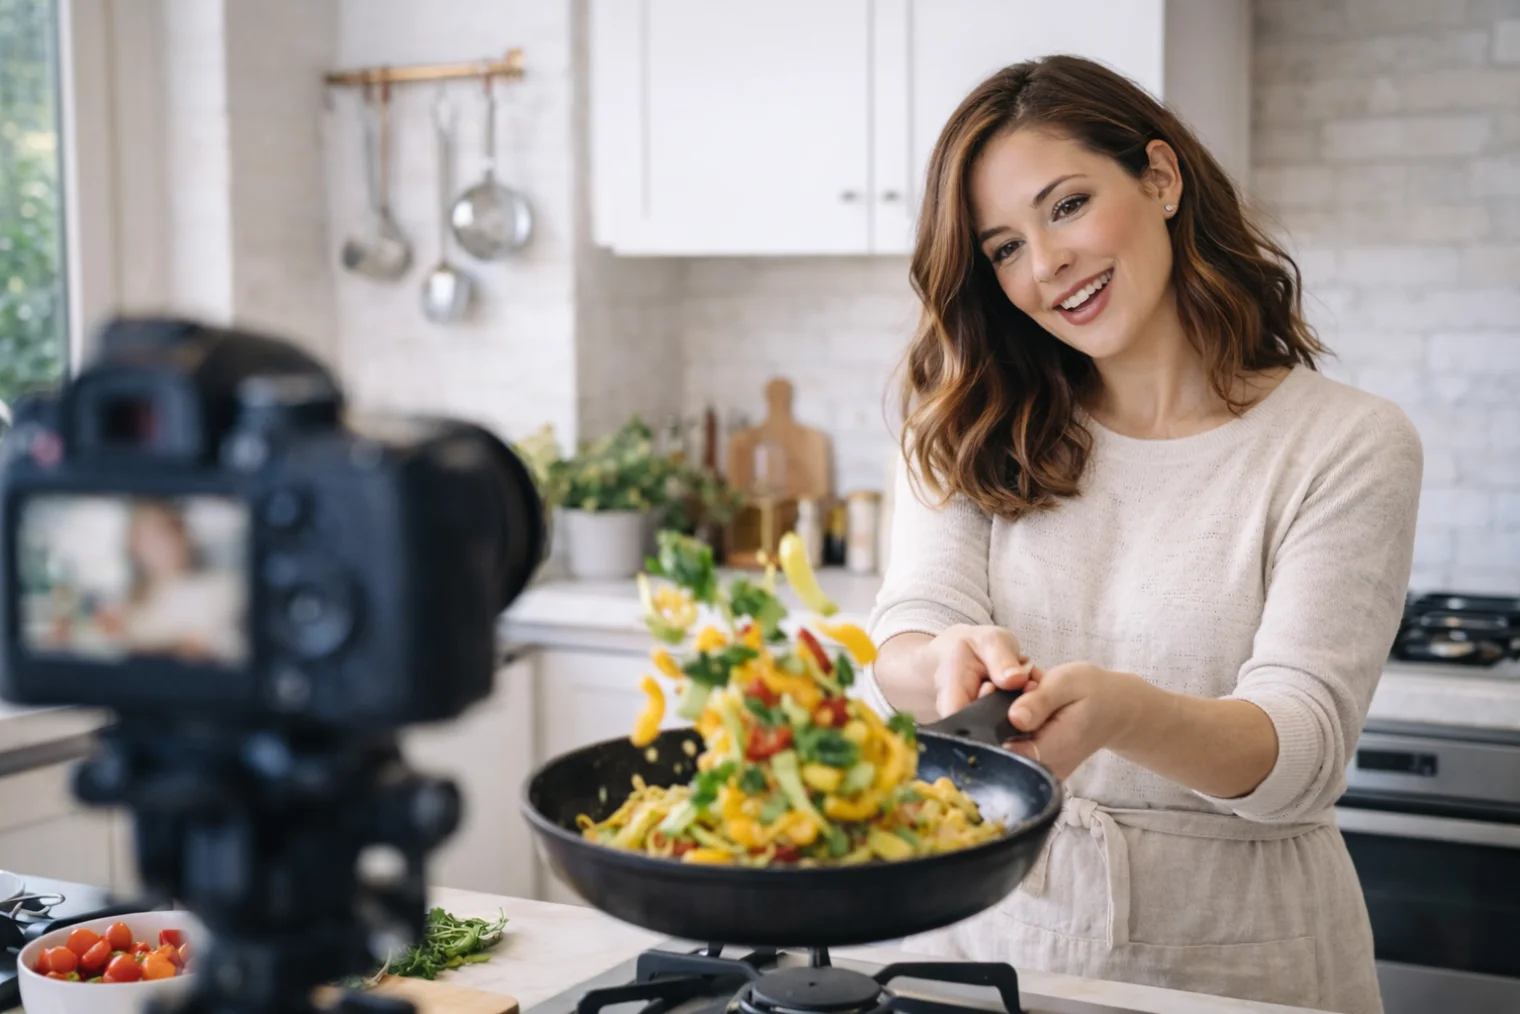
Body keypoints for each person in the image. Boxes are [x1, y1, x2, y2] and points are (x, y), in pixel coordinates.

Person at [863, 56, 1420, 1014]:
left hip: (1248, 964)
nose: (1046, 266)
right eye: (1002, 248)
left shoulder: (1345, 443)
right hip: (984, 944)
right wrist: (945, 659)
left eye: (1067, 205)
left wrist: (1125, 713)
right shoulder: (965, 423)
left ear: (1160, 179)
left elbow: (1301, 750)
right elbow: (907, 638)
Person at [120, 499, 245, 664]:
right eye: (146, 541)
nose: (156, 549)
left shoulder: (219, 588)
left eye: (162, 536)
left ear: (180, 536)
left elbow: (232, 651)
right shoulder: (134, 597)